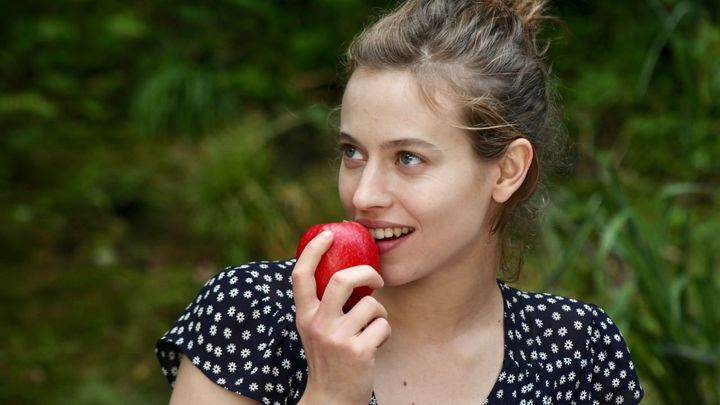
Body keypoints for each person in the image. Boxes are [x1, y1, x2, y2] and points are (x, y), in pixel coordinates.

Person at [156, 0, 645, 403]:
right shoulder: (252, 314)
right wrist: (328, 395)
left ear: (506, 169)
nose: (363, 195)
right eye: (352, 152)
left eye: (408, 158)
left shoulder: (577, 350)